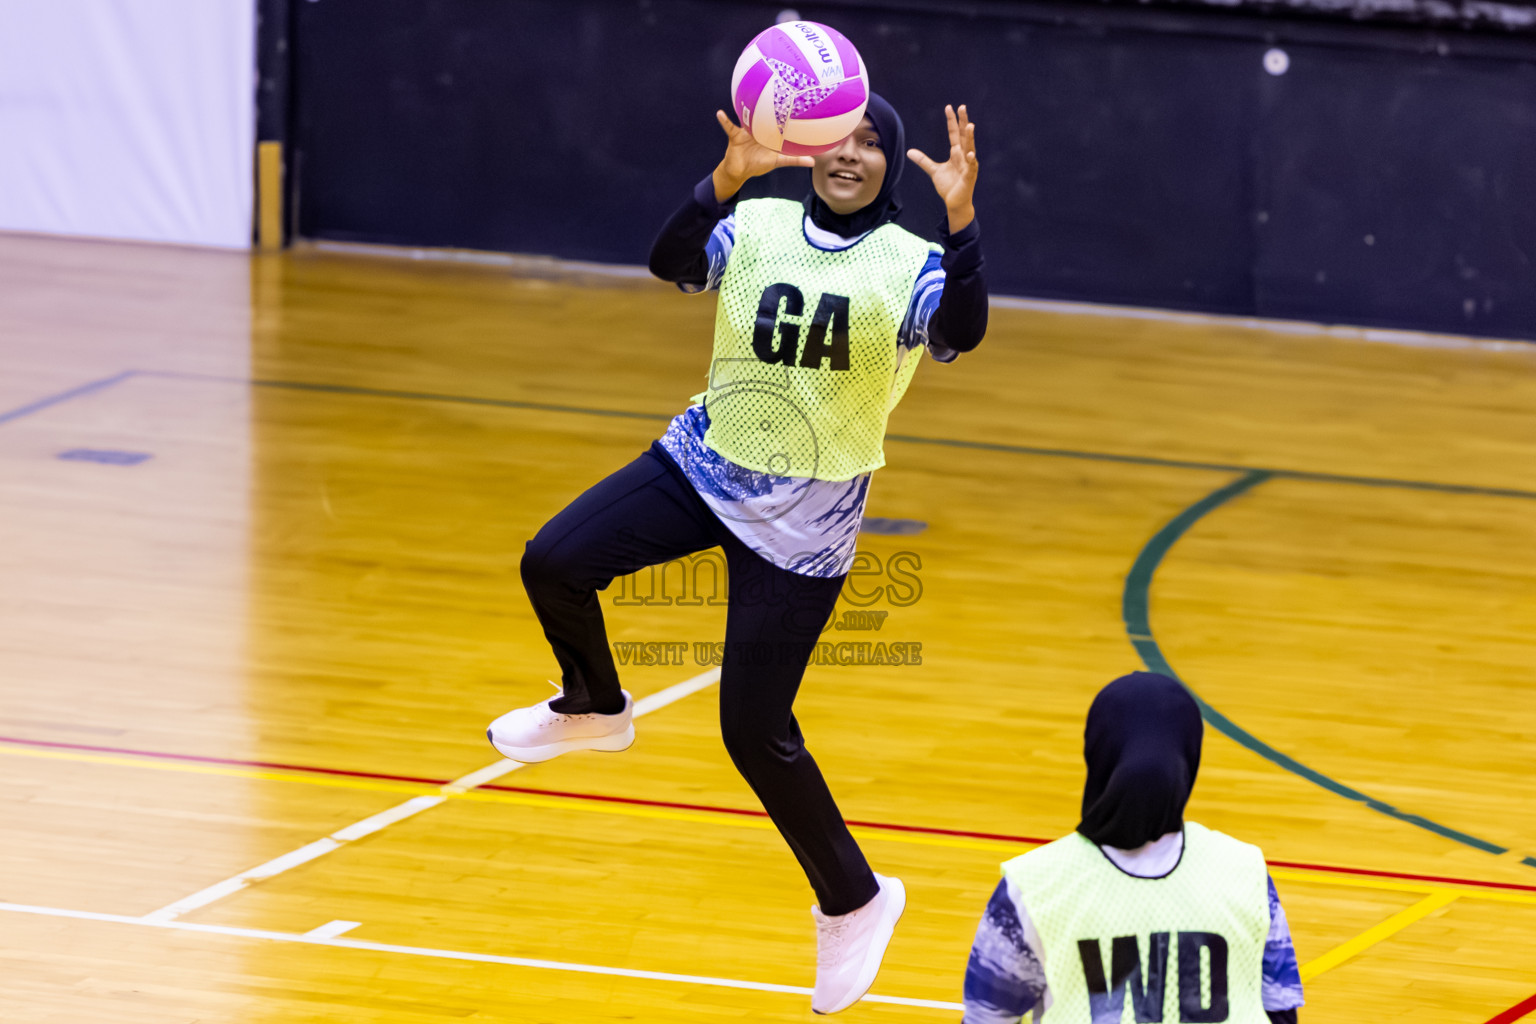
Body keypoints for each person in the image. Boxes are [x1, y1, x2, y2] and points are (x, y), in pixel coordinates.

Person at [485, 93, 987, 1014]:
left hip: (808, 522)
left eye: (873, 146)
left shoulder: (912, 263)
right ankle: (595, 702)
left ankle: (857, 902)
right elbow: (669, 260)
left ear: (892, 168)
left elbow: (961, 330)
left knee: (754, 730)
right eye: (838, 139)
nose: (851, 156)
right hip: (701, 465)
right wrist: (724, 180)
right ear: (807, 149)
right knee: (552, 560)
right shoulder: (755, 221)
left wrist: (960, 221)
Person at [961, 672, 1306, 1023]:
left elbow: (985, 1016)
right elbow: (1280, 1012)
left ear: (1097, 752)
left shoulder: (1034, 885)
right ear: (1189, 757)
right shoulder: (1244, 871)